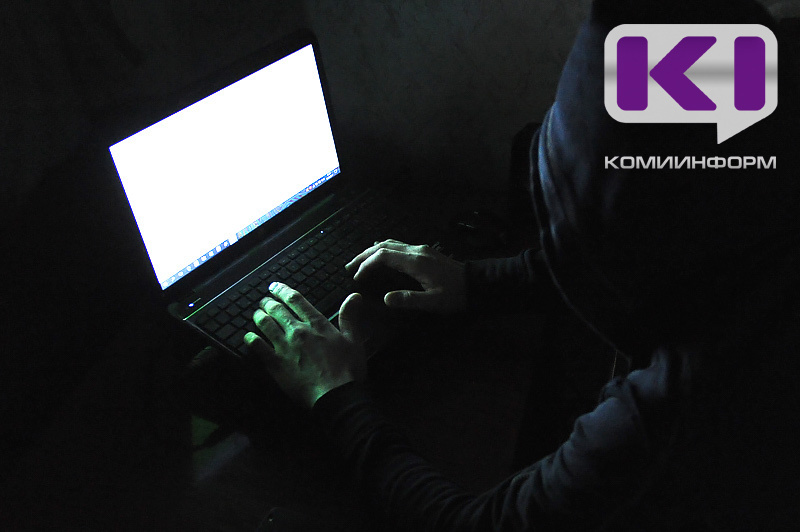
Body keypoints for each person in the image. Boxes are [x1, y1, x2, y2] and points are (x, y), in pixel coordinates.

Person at [243, 0, 800, 530]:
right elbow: (654, 244)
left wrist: (336, 394)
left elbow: (469, 524)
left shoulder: (678, 411)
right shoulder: (766, 153)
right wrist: (477, 282)